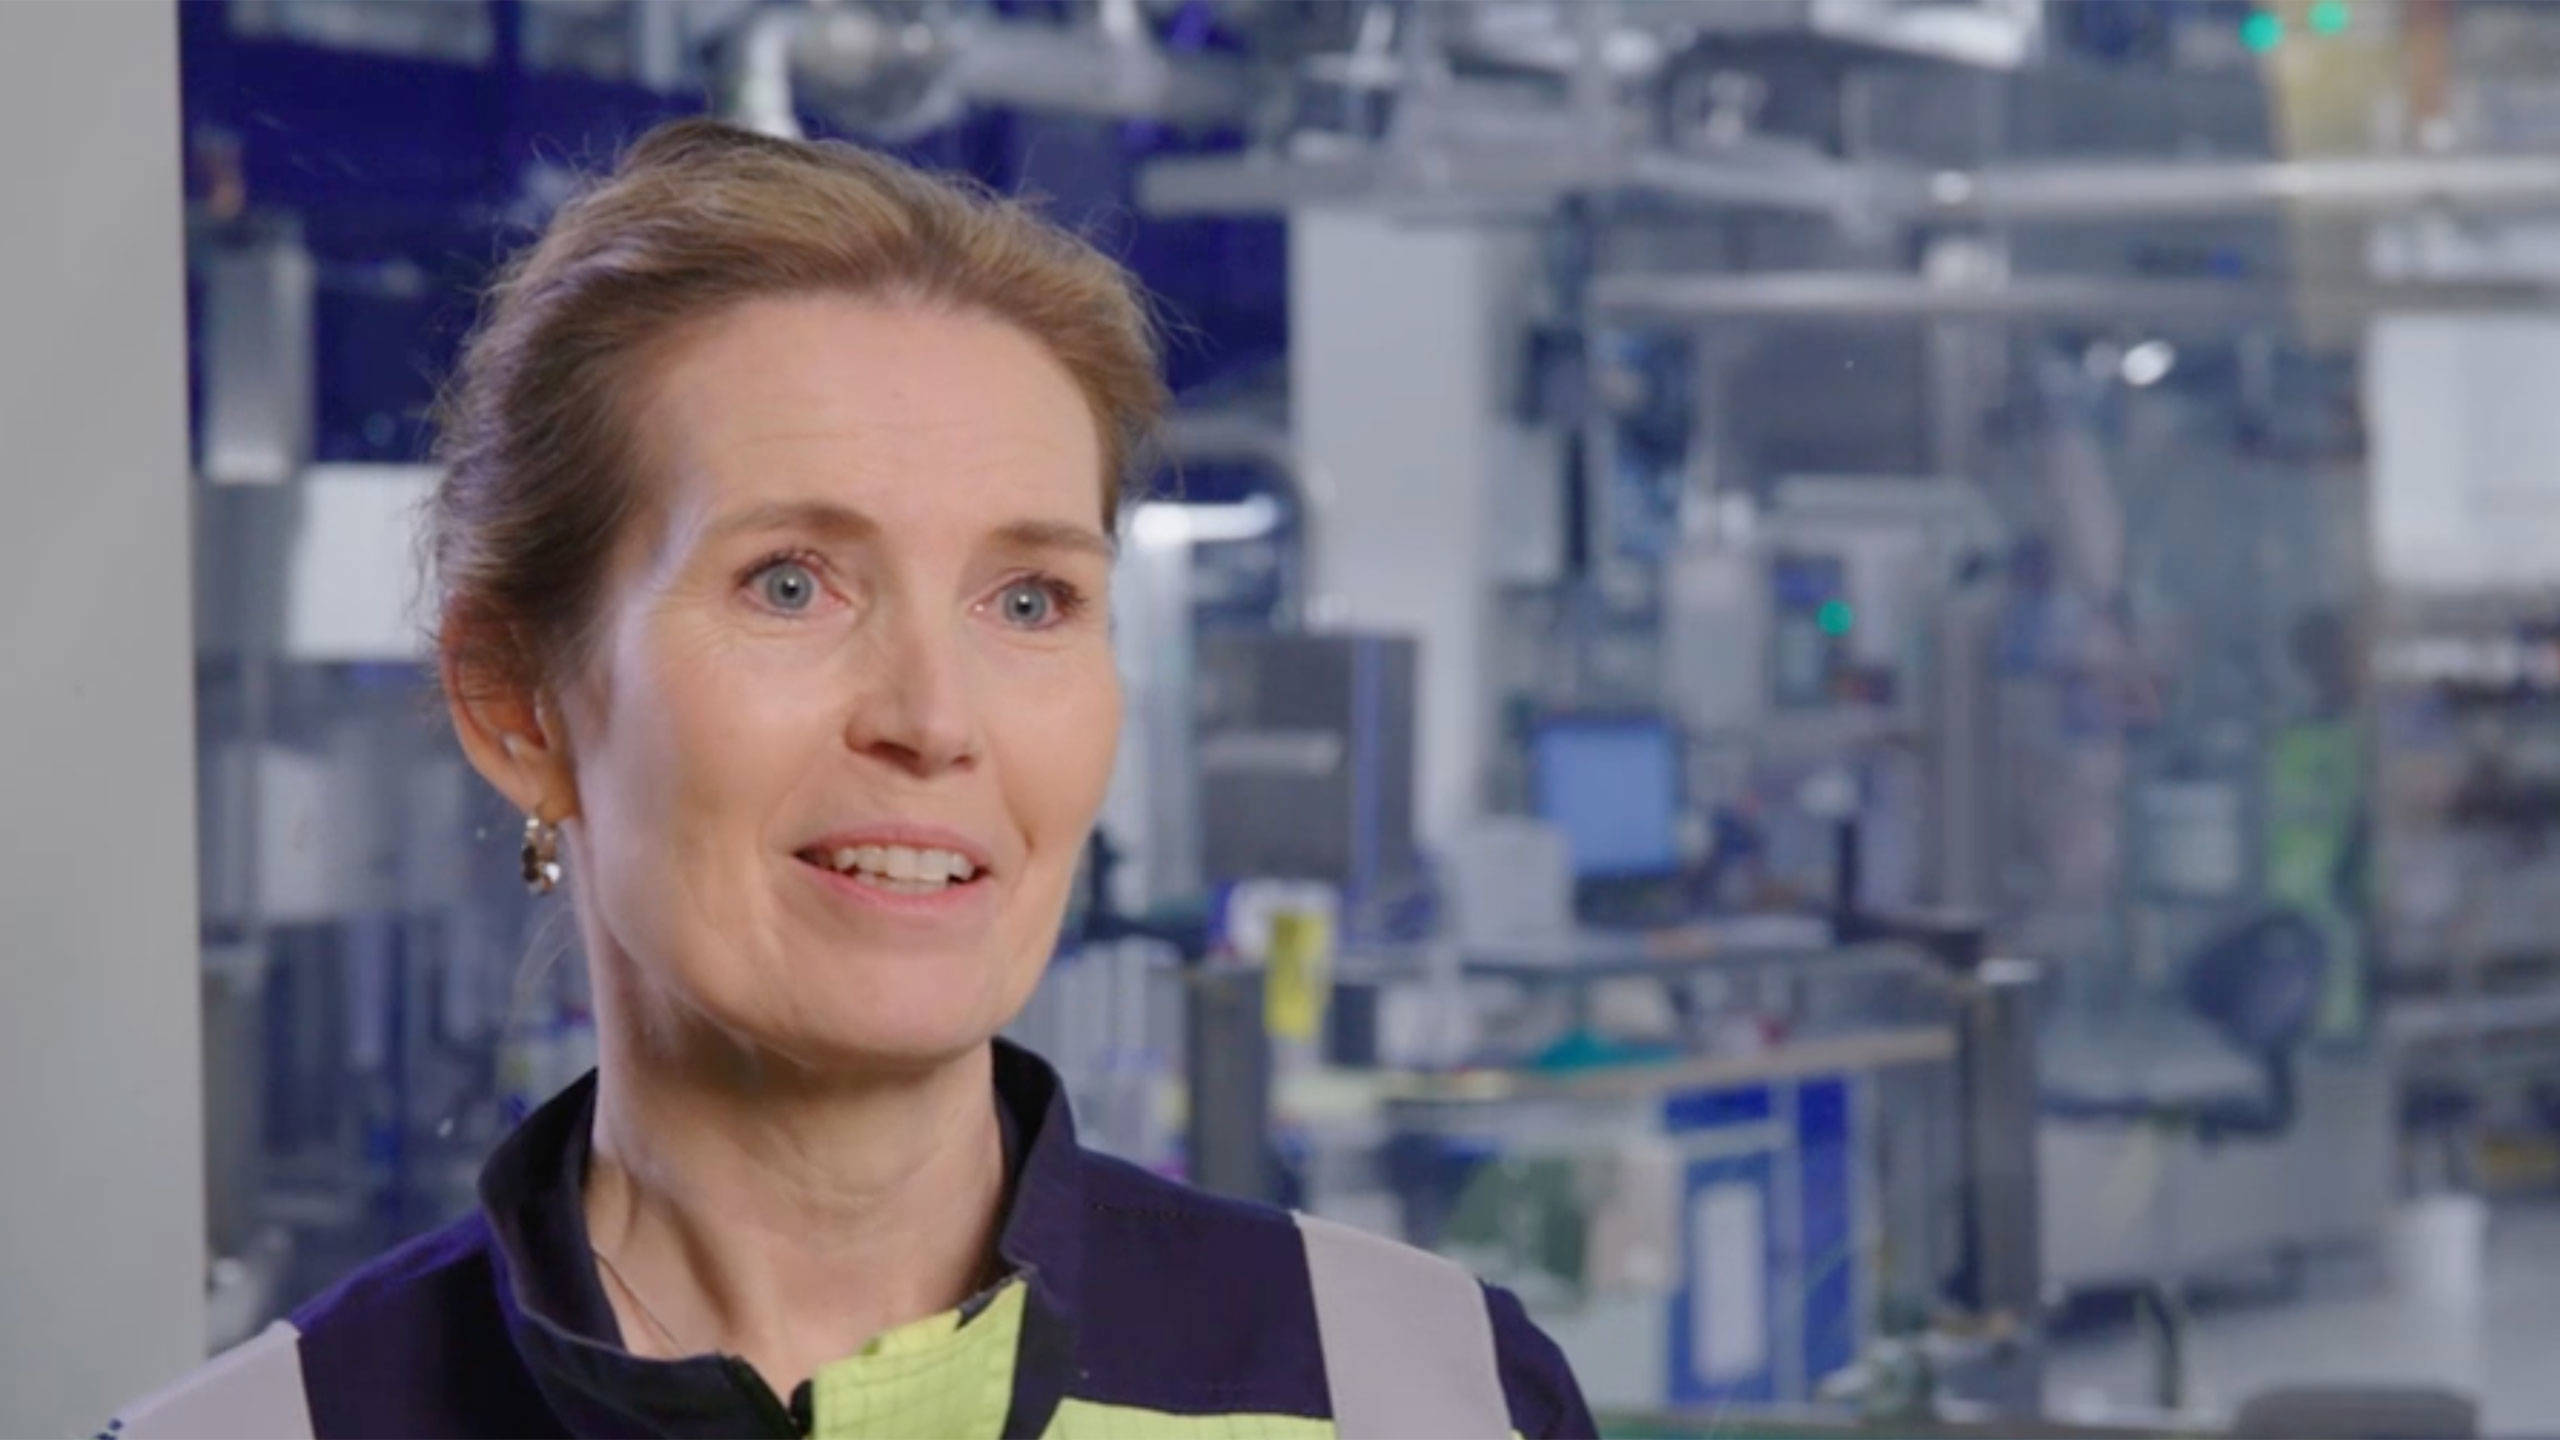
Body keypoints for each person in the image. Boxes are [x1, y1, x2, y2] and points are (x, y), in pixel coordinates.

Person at [112, 118, 1595, 1440]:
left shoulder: (1426, 1398)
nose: (934, 720)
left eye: (1030, 600)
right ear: (519, 706)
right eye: (791, 584)